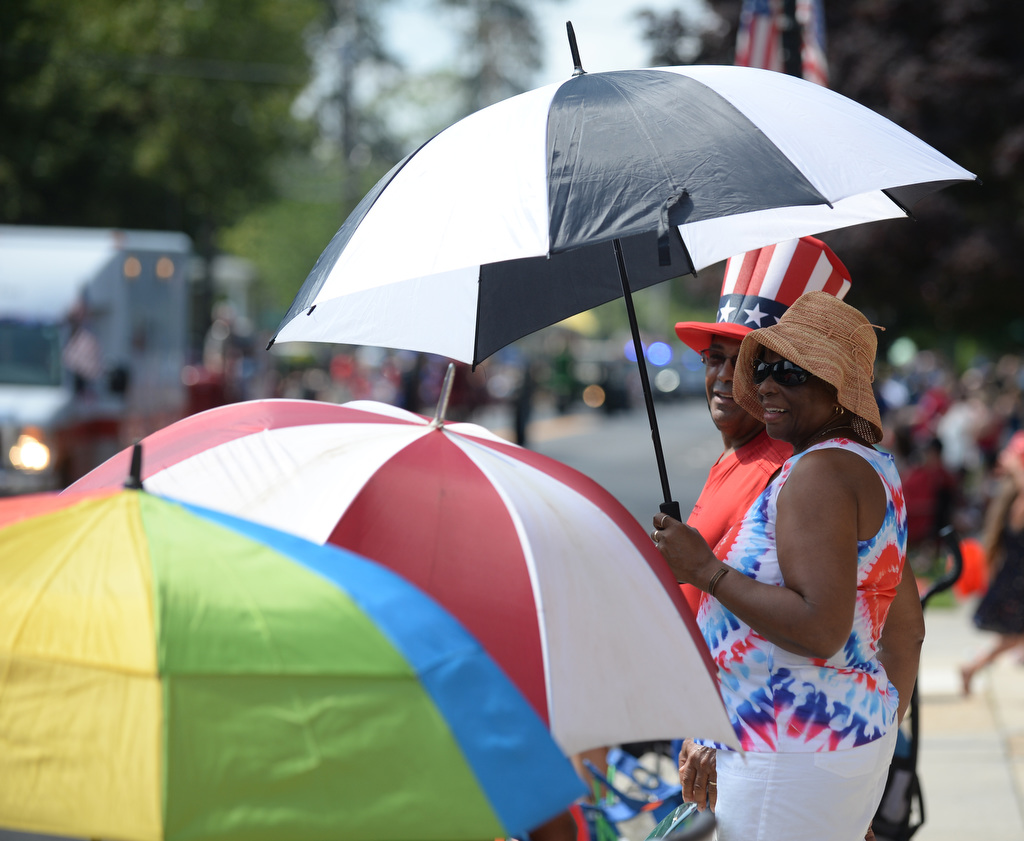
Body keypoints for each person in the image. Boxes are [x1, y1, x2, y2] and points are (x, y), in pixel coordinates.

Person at [651, 292, 925, 841]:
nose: (768, 386)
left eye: (792, 373)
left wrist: (706, 571)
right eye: (764, 369)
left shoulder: (818, 475)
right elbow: (907, 630)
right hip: (810, 750)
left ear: (839, 388)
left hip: (784, 756)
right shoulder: (864, 465)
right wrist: (862, 729)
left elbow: (820, 628)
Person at [674, 236, 852, 614]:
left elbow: (819, 621)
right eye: (715, 357)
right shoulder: (738, 453)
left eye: (745, 362)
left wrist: (704, 570)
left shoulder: (786, 472)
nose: (725, 375)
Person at [960, 430, 1024, 694]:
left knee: (1014, 637)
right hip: (1017, 583)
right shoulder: (1018, 502)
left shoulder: (1011, 499)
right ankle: (972, 667)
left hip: (1014, 580)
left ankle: (972, 667)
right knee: (1014, 637)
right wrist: (1016, 466)